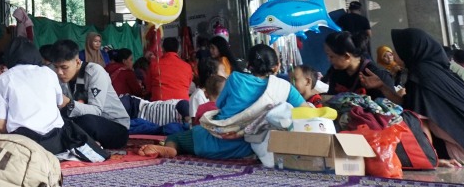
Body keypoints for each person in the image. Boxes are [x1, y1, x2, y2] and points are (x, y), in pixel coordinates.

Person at [140, 44, 305, 159]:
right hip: (252, 147)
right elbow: (306, 110)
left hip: (214, 141)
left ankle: (172, 148)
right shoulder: (285, 88)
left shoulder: (235, 79)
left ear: (248, 65)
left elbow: (219, 105)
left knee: (176, 136)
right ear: (276, 67)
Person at [393, 28, 464, 166]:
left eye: (397, 49)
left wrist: (431, 160)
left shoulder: (420, 75)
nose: (393, 54)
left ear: (410, 49)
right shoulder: (437, 70)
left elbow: (419, 122)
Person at [0, 37, 74, 154]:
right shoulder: (49, 73)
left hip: (24, 146)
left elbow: (0, 125)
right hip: (54, 143)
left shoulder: (2, 80)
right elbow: (59, 103)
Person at [49, 39, 130, 149]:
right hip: (81, 124)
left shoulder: (95, 72)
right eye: (56, 67)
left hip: (115, 128)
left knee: (86, 121)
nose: (59, 72)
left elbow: (96, 111)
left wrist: (68, 103)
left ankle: (83, 143)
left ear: (77, 62)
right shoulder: (57, 76)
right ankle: (87, 144)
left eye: (64, 67)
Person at [324, 31, 401, 103]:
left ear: (347, 56)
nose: (328, 60)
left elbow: (390, 108)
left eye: (331, 56)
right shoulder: (335, 72)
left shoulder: (377, 74)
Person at [150, 37, 194, 102]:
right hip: (182, 105)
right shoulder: (187, 66)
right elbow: (187, 85)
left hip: (159, 106)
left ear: (163, 49)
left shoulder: (154, 64)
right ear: (178, 50)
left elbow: (149, 86)